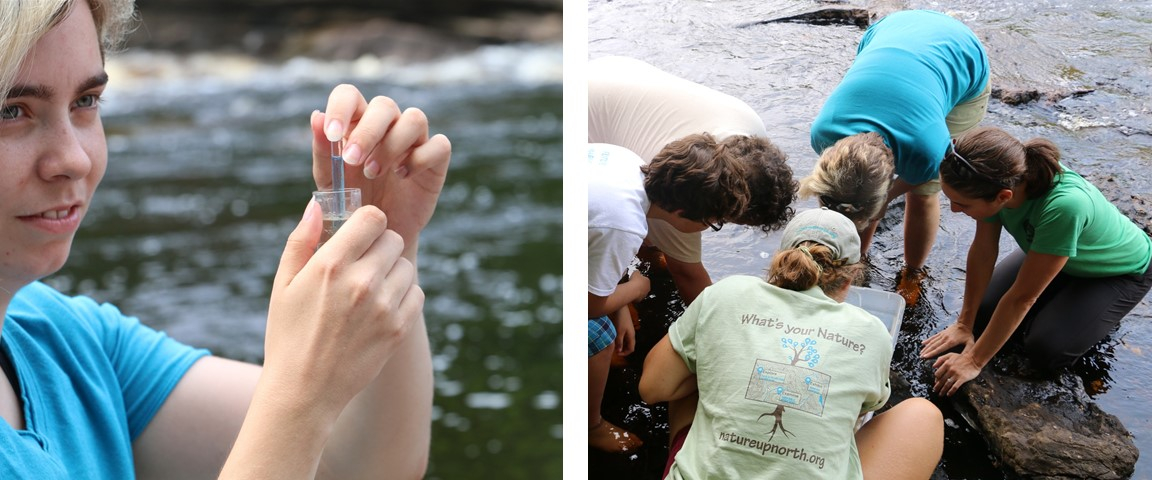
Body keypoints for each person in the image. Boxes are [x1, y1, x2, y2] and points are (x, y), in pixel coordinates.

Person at [0, 1, 451, 478]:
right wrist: (300, 394)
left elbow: (365, 465)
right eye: (12, 110)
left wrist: (383, 238)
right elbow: (298, 434)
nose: (74, 159)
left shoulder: (65, 341)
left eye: (85, 102)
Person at [639, 208, 943, 480]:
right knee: (923, 415)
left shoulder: (728, 293)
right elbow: (866, 408)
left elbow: (653, 388)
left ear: (780, 262)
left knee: (695, 358)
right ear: (850, 280)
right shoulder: (871, 330)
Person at [921, 126, 1152, 396]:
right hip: (1055, 252)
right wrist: (964, 323)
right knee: (983, 312)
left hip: (1118, 272)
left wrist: (974, 361)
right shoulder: (996, 176)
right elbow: (983, 251)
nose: (954, 210)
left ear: (1003, 197)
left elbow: (1022, 298)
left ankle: (1098, 310)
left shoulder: (1064, 206)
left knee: (1046, 350)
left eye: (963, 204)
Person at [801, 9, 991, 296]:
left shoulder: (926, 150)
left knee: (924, 191)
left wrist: (881, 200)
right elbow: (840, 197)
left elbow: (902, 186)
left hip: (961, 57)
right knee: (853, 200)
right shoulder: (824, 133)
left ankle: (913, 272)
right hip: (889, 32)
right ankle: (856, 261)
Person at [586, 136, 755, 452]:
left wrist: (620, 305)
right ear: (681, 211)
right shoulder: (625, 225)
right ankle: (590, 425)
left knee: (614, 314)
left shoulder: (625, 158)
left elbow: (594, 239)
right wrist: (635, 289)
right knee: (599, 334)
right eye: (712, 223)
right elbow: (588, 306)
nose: (710, 228)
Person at [589, 55, 797, 304]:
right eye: (719, 219)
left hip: (612, 71)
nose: (715, 224)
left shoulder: (740, 136)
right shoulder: (686, 189)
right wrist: (626, 294)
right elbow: (687, 275)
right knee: (606, 335)